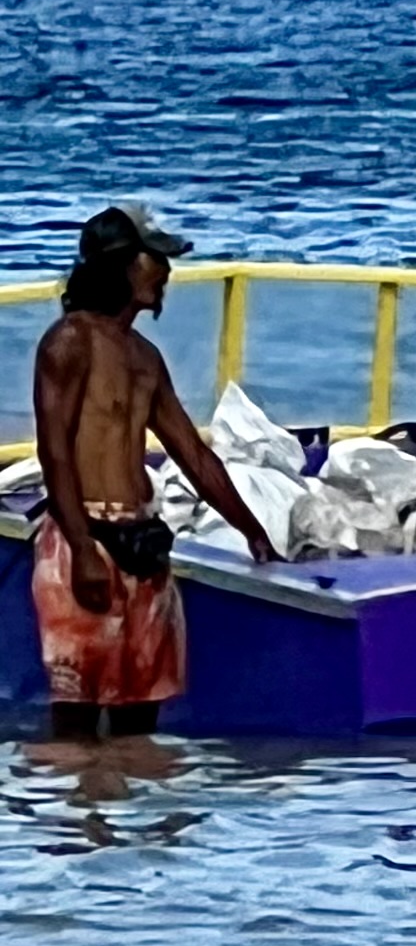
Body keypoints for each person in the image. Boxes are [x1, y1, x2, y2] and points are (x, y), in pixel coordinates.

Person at [31, 204, 278, 737]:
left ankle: (134, 813)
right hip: (85, 538)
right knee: (75, 719)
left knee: (140, 714)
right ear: (121, 264)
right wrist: (80, 549)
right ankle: (77, 820)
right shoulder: (70, 340)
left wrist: (253, 531)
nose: (166, 274)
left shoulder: (145, 356)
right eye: (155, 260)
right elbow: (54, 452)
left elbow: (195, 455)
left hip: (141, 540)